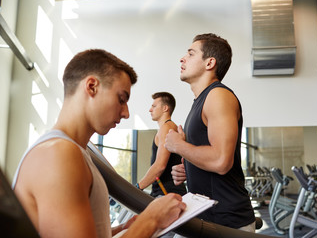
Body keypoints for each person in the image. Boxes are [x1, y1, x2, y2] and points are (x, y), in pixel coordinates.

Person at [12, 49, 186, 238]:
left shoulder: (75, 152)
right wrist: (151, 219)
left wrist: (122, 229)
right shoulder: (58, 154)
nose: (126, 113)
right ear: (92, 86)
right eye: (121, 99)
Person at [165, 33, 256, 232]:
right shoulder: (200, 101)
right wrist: (188, 168)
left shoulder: (218, 96)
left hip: (227, 222)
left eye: (190, 53)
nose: (182, 58)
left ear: (210, 63)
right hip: (204, 216)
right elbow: (209, 156)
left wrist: (178, 146)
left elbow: (221, 161)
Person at [137, 92, 187, 197]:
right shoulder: (170, 127)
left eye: (154, 106)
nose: (150, 109)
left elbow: (160, 166)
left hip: (167, 192)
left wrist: (137, 188)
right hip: (167, 191)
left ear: (165, 108)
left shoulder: (167, 127)